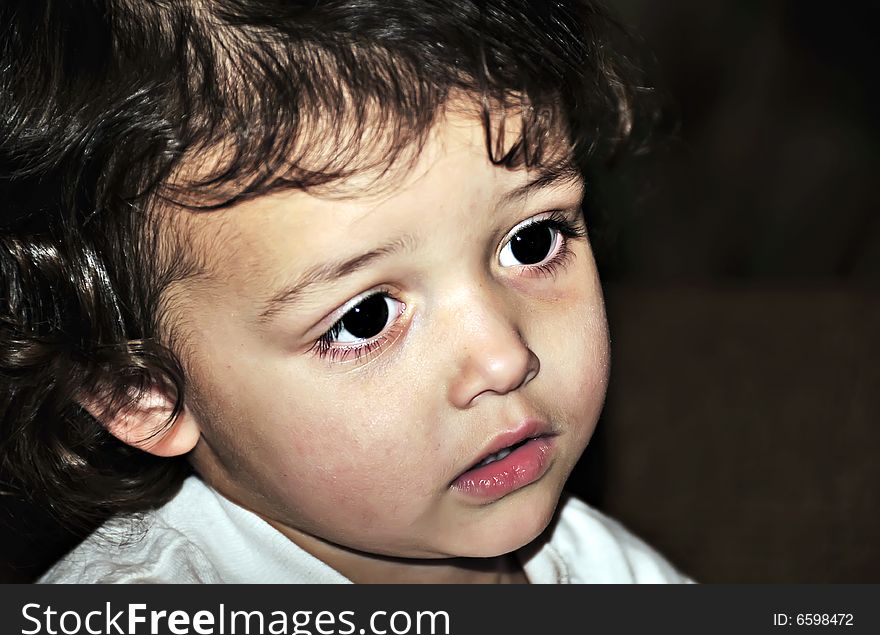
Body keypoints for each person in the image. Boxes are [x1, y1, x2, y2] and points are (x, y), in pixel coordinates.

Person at [0, 0, 689, 584]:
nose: (504, 357)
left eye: (531, 241)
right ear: (139, 390)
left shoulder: (602, 569)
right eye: (364, 317)